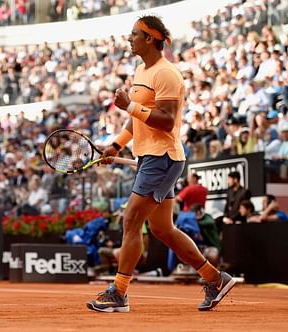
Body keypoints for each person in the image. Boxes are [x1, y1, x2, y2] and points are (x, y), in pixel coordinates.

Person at [86, 15, 235, 313]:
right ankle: (214, 278)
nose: (129, 39)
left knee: (130, 221)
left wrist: (130, 104)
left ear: (150, 39)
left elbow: (166, 122)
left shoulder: (167, 74)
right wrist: (115, 144)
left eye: (134, 34)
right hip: (148, 157)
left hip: (162, 158)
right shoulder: (141, 70)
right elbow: (136, 120)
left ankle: (120, 292)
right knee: (163, 230)